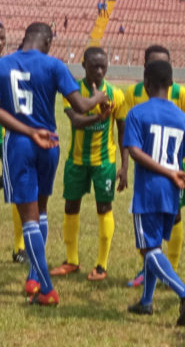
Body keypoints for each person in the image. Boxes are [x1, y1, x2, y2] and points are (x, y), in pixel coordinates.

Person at [0, 22, 108, 305]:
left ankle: (46, 289)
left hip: (20, 144)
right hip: (49, 144)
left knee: (29, 218)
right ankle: (34, 276)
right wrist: (97, 98)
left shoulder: (3, 65)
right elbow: (82, 105)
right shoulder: (54, 65)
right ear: (47, 42)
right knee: (42, 210)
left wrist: (27, 130)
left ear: (25, 38)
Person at [123, 60, 185, 326]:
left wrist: (165, 172)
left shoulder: (137, 113)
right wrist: (172, 173)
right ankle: (146, 302)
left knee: (148, 249)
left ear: (146, 83)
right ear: (171, 84)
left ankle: (184, 293)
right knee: (154, 246)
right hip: (171, 190)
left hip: (149, 189)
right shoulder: (182, 117)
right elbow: (180, 155)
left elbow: (134, 151)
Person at [49, 47, 126, 281]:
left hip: (104, 161)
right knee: (71, 206)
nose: (99, 71)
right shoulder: (72, 91)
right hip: (77, 160)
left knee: (104, 208)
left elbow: (122, 131)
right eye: (94, 66)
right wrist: (98, 116)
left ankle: (101, 265)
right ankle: (71, 260)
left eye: (103, 66)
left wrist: (125, 166)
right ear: (84, 65)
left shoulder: (116, 94)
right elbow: (76, 120)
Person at [0, 21, 24, 265]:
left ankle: (20, 248)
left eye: (2, 37)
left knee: (16, 190)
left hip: (7, 136)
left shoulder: (9, 67)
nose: (0, 41)